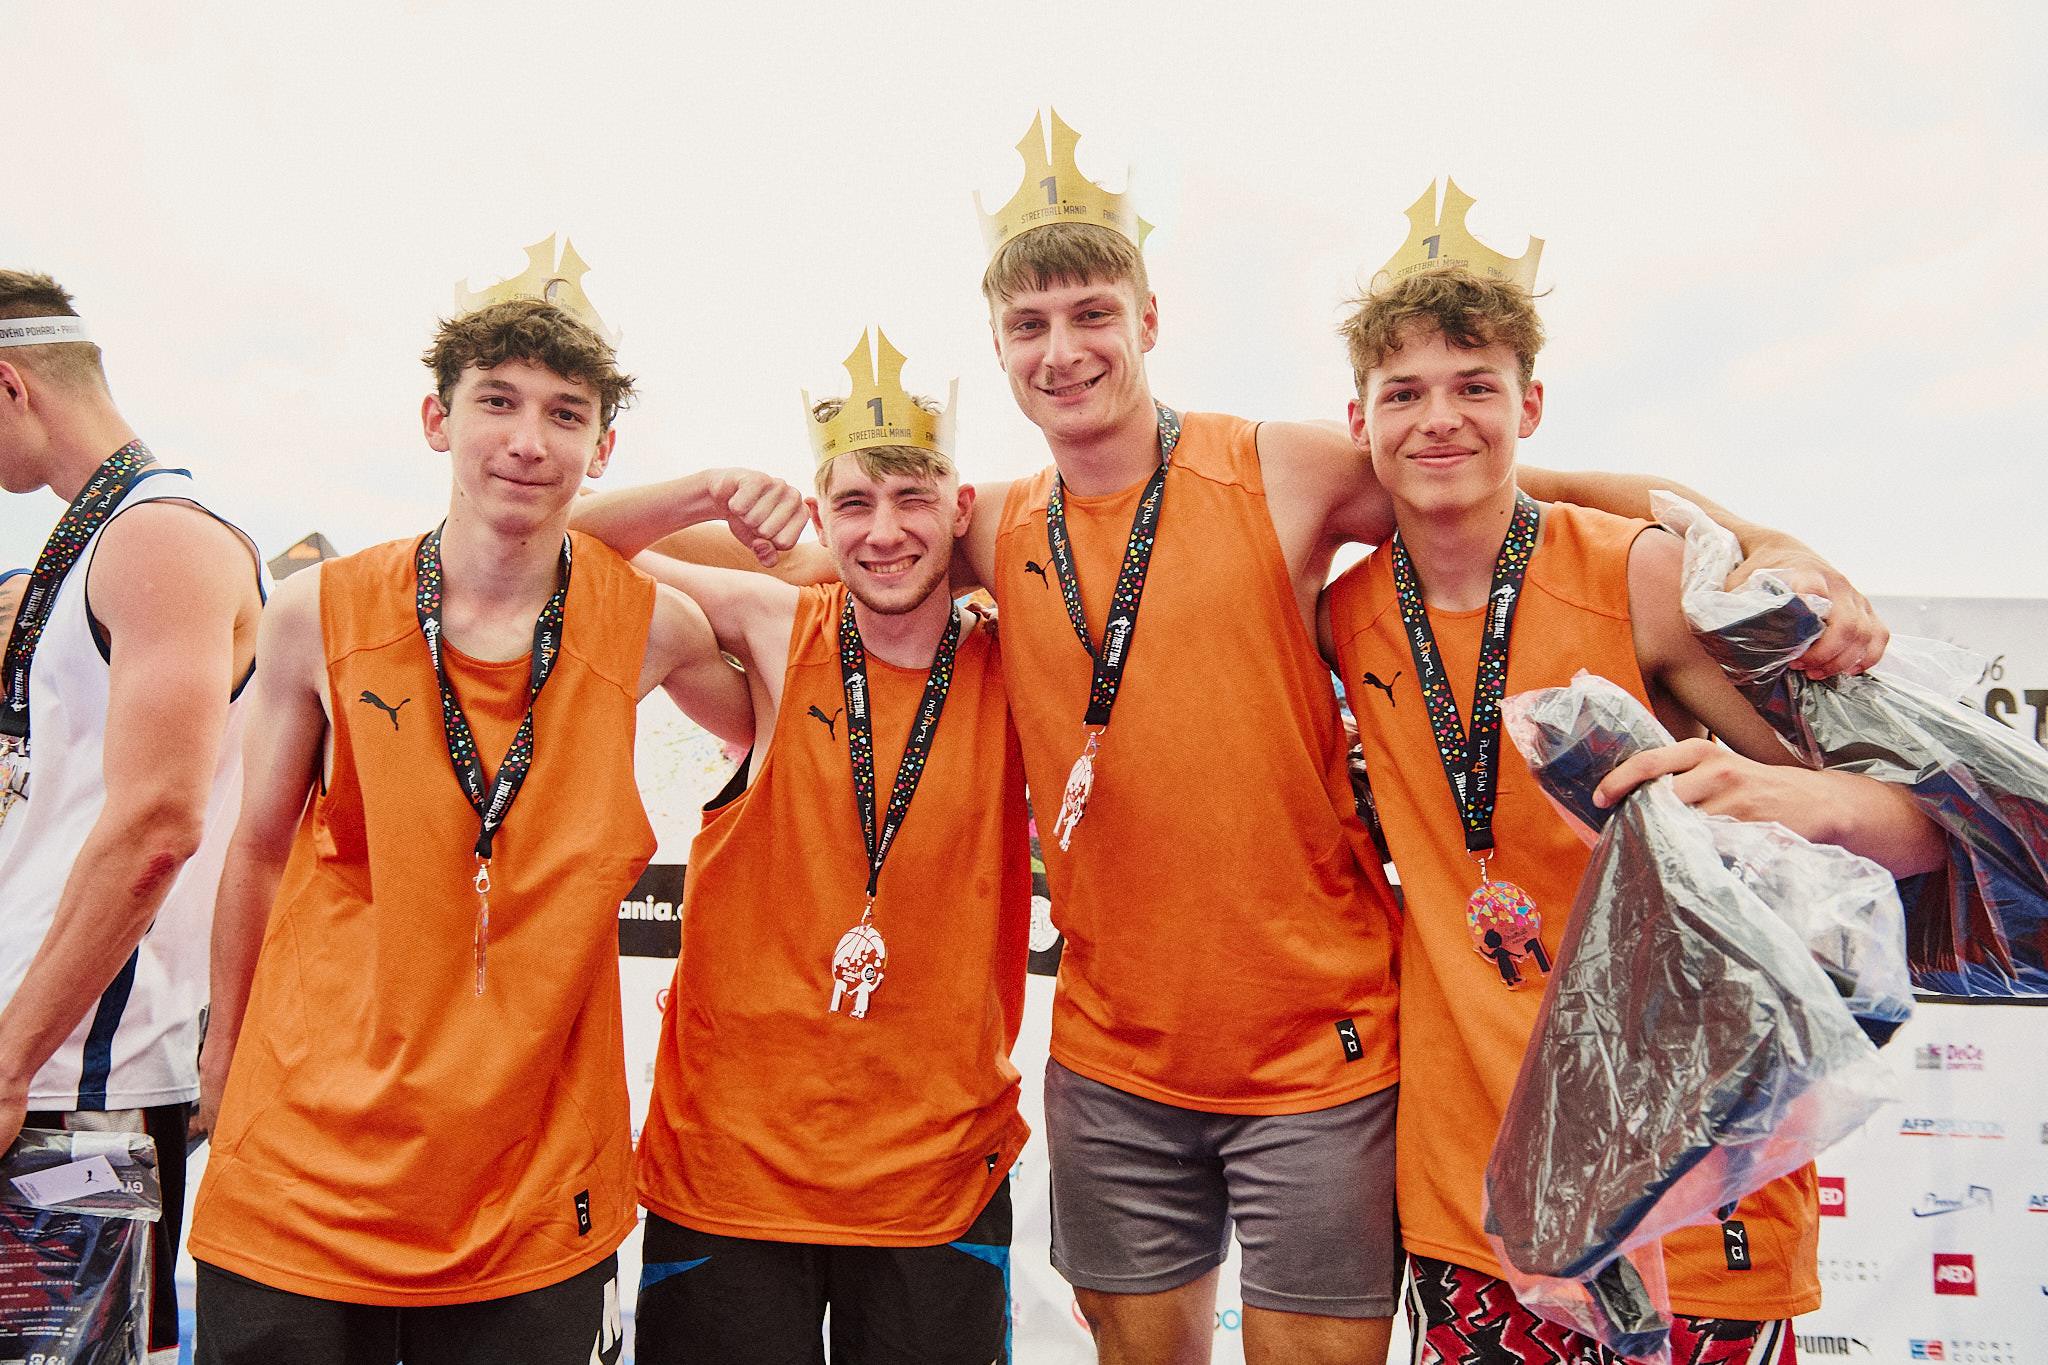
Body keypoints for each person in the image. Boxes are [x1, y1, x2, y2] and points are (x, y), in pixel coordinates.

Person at [953, 118, 1888, 1365]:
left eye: (1091, 313)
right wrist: (708, 506)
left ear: (1149, 319)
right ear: (998, 346)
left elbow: (1510, 483)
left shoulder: (1293, 475)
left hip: (1442, 1085)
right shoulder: (1027, 533)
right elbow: (832, 564)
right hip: (1225, 1093)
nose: (1063, 350)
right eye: (1029, 324)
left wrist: (1762, 542)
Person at [1318, 193, 1943, 1364]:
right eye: (1403, 393)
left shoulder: (1639, 576)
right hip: (1476, 1201)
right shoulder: (1342, 614)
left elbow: (1917, 824)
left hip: (1693, 1188)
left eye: (1474, 386)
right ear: (1358, 420)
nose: (1438, 418)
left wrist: (1794, 799)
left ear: (1528, 405)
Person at [184, 258, 801, 1365]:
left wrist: (712, 499)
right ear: (437, 420)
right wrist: (224, 1053)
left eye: (565, 415)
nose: (528, 440)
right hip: (304, 1164)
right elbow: (258, 850)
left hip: (528, 1183)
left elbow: (785, 713)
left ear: (602, 449)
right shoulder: (317, 613)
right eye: (497, 402)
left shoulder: (647, 625)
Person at [570, 330, 1031, 1364]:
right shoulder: (780, 628)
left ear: (960, 510)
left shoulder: (1018, 660)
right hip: (732, 1172)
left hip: (935, 1178)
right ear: (820, 520)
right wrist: (703, 492)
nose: (885, 532)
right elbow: (559, 541)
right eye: (854, 504)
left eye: (913, 499)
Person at [0, 270, 265, 1364]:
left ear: (10, 385)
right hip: (40, 1065)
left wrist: (10, 1062)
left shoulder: (161, 538)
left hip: (80, 1082)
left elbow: (159, 826)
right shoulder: (86, 545)